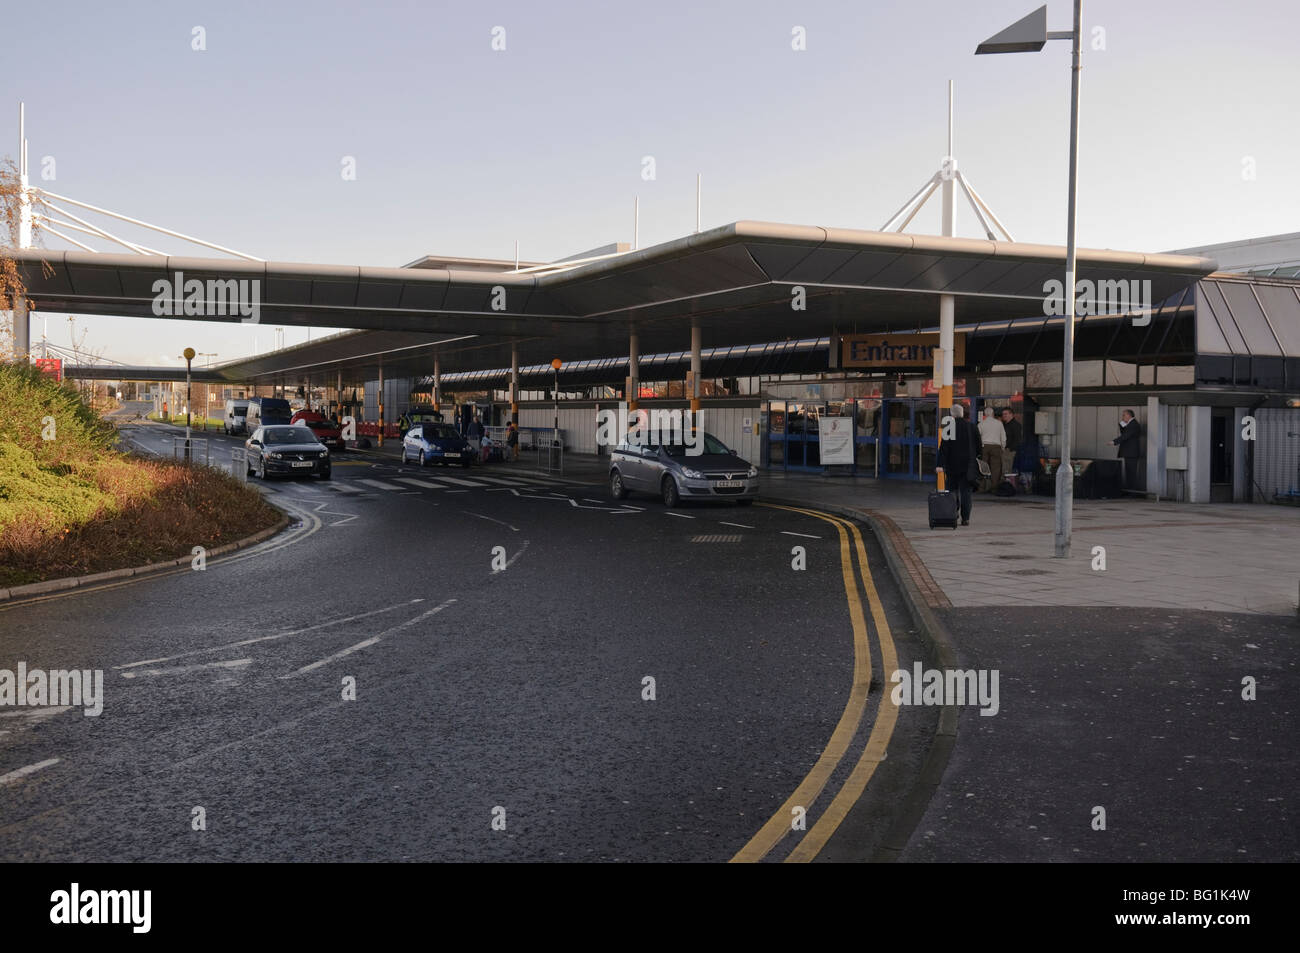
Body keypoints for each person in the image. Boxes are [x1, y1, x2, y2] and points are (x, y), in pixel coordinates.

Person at [935, 403, 982, 526]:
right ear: (962, 414)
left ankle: (953, 514)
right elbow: (978, 446)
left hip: (952, 466)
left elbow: (944, 448)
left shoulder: (948, 428)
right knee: (966, 492)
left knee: (952, 491)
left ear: (952, 415)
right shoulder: (972, 427)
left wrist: (940, 465)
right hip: (968, 466)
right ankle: (965, 518)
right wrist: (975, 457)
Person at [977, 406, 1006, 492]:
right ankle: (994, 487)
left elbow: (977, 437)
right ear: (993, 414)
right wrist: (1003, 447)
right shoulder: (999, 423)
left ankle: (982, 487)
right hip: (996, 447)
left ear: (985, 414)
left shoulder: (981, 424)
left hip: (984, 446)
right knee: (996, 468)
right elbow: (1003, 437)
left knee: (983, 467)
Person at [1113, 409, 1142, 490]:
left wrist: (1114, 441)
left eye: (1124, 415)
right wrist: (1122, 424)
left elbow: (1126, 436)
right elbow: (1125, 433)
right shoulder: (1130, 424)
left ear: (1129, 415)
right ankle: (1130, 490)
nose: (1123, 417)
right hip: (1129, 453)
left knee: (1131, 473)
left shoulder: (1133, 424)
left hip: (1131, 453)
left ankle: (1132, 491)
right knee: (1129, 473)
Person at [999, 407, 1023, 489]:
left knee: (1006, 469)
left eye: (1006, 414)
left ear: (1011, 414)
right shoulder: (1005, 425)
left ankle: (1007, 487)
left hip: (1009, 450)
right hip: (1005, 449)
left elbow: (1017, 439)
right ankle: (1005, 486)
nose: (1004, 416)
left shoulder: (1015, 425)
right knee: (1004, 468)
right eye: (1003, 414)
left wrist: (1010, 449)